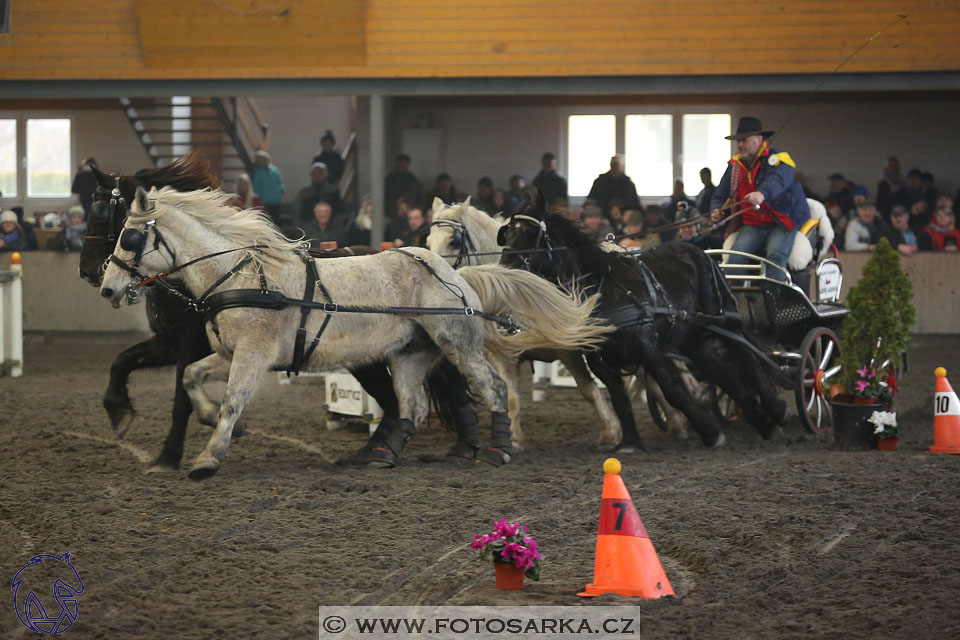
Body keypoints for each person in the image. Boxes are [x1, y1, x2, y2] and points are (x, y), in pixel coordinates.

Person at [709, 116, 810, 282]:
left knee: (775, 255)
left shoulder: (779, 159)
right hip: (753, 224)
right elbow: (720, 194)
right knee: (735, 258)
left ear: (759, 139)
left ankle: (773, 300)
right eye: (738, 141)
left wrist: (762, 194)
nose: (740, 144)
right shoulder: (734, 165)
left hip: (782, 220)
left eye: (744, 140)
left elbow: (779, 180)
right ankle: (736, 301)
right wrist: (716, 209)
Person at [384, 154, 423, 218]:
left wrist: (412, 209)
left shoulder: (413, 181)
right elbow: (386, 197)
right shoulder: (390, 180)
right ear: (397, 164)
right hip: (393, 215)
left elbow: (419, 197)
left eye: (404, 164)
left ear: (408, 165)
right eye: (400, 164)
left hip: (410, 214)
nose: (402, 166)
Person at [252, 150, 285, 222]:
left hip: (276, 199)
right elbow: (256, 186)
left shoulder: (274, 170)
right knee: (268, 220)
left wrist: (281, 189)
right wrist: (257, 198)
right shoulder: (258, 172)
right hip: (265, 201)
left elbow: (279, 181)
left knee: (277, 220)